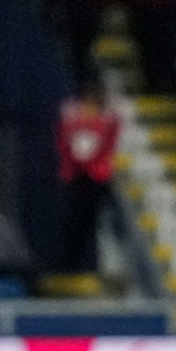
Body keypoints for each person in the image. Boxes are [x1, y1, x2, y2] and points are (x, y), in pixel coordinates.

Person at [57, 78, 121, 272]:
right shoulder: (74, 122)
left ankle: (103, 266)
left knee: (98, 223)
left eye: (92, 105)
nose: (88, 109)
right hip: (78, 178)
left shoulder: (102, 123)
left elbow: (106, 145)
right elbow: (67, 148)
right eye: (86, 104)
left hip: (96, 178)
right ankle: (70, 264)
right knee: (74, 225)